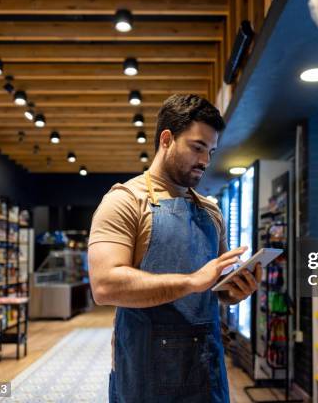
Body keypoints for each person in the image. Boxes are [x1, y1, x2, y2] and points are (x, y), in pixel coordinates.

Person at [88, 94, 261, 403]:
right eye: (197, 147)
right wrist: (191, 282)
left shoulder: (211, 211)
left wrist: (233, 291)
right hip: (145, 375)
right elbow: (105, 286)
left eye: (210, 150)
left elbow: (217, 287)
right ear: (166, 139)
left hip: (206, 372)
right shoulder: (125, 201)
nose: (206, 161)